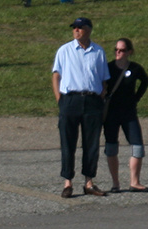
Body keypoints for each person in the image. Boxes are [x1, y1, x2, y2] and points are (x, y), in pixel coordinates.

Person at [51, 17, 109, 198]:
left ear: (88, 29)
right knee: (68, 142)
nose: (76, 30)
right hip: (70, 100)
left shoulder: (98, 51)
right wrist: (60, 99)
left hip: (92, 100)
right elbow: (56, 75)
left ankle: (89, 182)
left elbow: (104, 78)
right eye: (74, 28)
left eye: (80, 28)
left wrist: (100, 95)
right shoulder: (65, 50)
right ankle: (67, 182)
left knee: (91, 143)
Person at [104, 38, 148, 192]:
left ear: (129, 52)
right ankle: (115, 183)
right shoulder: (108, 67)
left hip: (129, 112)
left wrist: (136, 98)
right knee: (111, 147)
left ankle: (135, 182)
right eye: (116, 49)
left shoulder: (135, 68)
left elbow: (145, 81)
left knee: (137, 147)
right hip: (111, 113)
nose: (118, 53)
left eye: (122, 50)